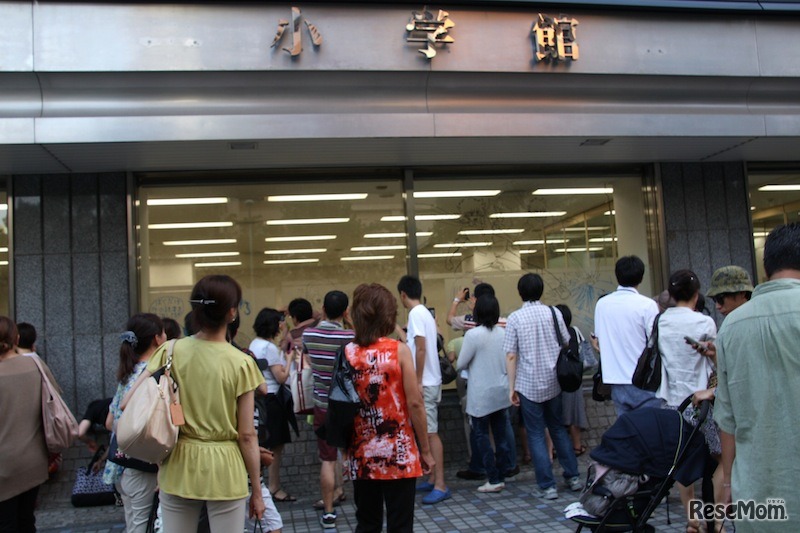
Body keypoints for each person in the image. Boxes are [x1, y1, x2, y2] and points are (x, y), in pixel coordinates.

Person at [123, 275, 266, 532]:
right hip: (226, 467)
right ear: (232, 313)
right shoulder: (242, 363)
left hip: (179, 463)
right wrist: (257, 491)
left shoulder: (170, 351)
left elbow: (127, 402)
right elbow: (247, 435)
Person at [712, 223, 800, 532]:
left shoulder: (731, 327)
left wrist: (726, 486)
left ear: (765, 267)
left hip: (758, 494)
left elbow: (727, 419)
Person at [346, 283, 434, 532]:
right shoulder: (400, 351)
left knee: (367, 523)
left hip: (361, 454)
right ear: (389, 316)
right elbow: (415, 403)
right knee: (400, 524)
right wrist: (425, 450)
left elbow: (341, 405)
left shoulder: (348, 354)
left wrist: (344, 449)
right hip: (400, 453)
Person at [504, 273, 581, 500]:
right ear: (541, 291)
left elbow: (510, 355)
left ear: (520, 292)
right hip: (553, 382)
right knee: (558, 429)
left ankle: (547, 486)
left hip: (528, 384)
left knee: (536, 433)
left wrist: (511, 388)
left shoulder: (515, 318)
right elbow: (566, 342)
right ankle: (573, 476)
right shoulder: (554, 313)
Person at [654, 270, 718, 532]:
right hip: (703, 403)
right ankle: (716, 517)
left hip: (672, 402)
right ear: (696, 294)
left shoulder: (661, 321)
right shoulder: (704, 324)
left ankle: (693, 521)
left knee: (682, 460)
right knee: (715, 459)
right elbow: (715, 363)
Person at [102, 313, 165, 533]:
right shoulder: (154, 375)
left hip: (121, 464)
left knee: (134, 524)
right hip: (142, 466)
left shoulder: (128, 373)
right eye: (164, 332)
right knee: (141, 526)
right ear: (157, 339)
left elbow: (111, 422)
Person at [302, 290, 354, 529]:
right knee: (354, 455)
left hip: (322, 405)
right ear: (345, 312)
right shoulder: (350, 337)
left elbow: (308, 361)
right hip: (347, 405)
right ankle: (362, 503)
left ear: (322, 308)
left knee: (327, 458)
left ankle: (329, 512)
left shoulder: (308, 334)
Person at [398, 275, 449, 504]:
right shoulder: (424, 313)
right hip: (430, 379)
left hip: (426, 381)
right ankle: (431, 481)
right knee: (427, 430)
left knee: (430, 433)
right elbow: (414, 344)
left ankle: (440, 484)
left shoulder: (415, 314)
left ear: (403, 294)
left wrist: (416, 380)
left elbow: (420, 349)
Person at [455, 294, 513, 493]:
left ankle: (494, 478)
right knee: (501, 435)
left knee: (481, 436)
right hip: (501, 390)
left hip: (481, 393)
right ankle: (502, 473)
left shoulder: (473, 335)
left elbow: (461, 363)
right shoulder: (503, 333)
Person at [593, 255, 661, 416]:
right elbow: (656, 342)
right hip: (643, 380)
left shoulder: (602, 304)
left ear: (617, 275)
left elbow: (598, 341)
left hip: (615, 380)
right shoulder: (647, 305)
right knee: (650, 431)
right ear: (641, 277)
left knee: (628, 432)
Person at [0, 317, 49, 532]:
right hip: (33, 459)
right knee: (27, 520)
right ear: (16, 338)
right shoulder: (35, 366)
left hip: (3, 463)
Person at [249, 307, 298, 503]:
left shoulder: (255, 343)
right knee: (275, 447)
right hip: (273, 400)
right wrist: (288, 360)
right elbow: (281, 377)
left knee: (263, 444)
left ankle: (260, 485)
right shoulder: (269, 348)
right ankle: (274, 487)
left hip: (260, 399)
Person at [554, 304, 589, 457]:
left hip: (555, 379)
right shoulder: (574, 331)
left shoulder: (552, 334)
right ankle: (577, 446)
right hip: (574, 379)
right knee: (574, 414)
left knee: (555, 415)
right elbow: (584, 357)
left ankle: (555, 448)